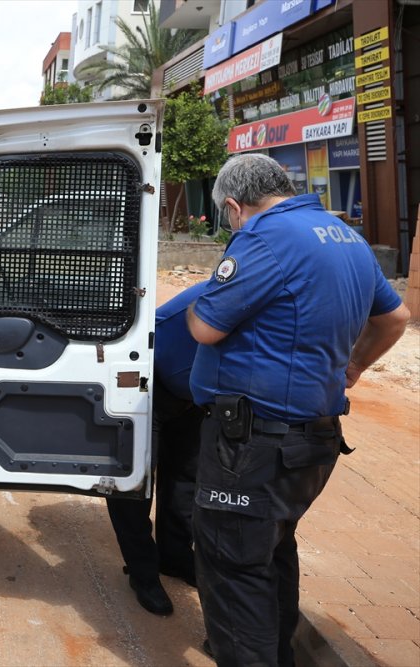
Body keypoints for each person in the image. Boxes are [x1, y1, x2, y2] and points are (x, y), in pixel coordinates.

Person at [186, 153, 409, 666]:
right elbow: (395, 317)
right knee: (271, 550)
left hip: (252, 445)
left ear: (236, 207)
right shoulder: (342, 234)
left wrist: (200, 299)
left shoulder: (264, 238)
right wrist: (354, 367)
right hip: (311, 439)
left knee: (232, 567)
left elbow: (205, 327)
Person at [106, 281, 205, 616]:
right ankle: (142, 571)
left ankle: (175, 557)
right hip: (148, 386)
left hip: (195, 398)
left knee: (185, 480)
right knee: (133, 484)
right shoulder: (231, 289)